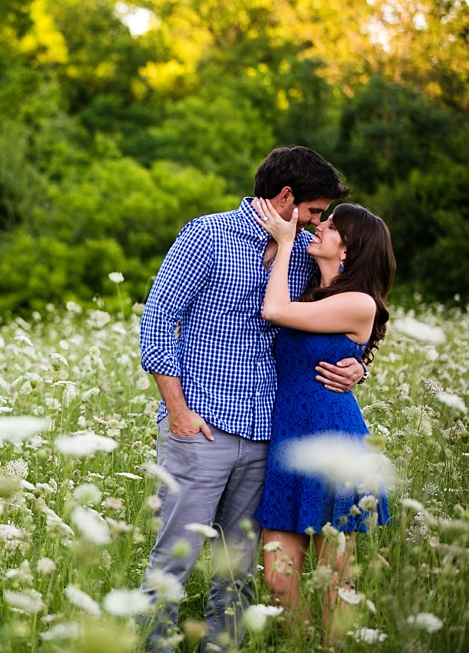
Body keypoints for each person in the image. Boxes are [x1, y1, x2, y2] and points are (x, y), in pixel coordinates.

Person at [138, 146, 364, 653]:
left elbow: (344, 314)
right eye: (314, 210)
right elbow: (156, 324)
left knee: (237, 570)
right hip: (202, 426)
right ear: (285, 197)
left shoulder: (303, 252)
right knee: (174, 558)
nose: (318, 222)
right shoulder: (207, 235)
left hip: (267, 434)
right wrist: (178, 411)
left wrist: (358, 365)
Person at [250, 198, 394, 643]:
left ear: (347, 249)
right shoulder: (311, 290)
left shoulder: (360, 302)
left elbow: (274, 311)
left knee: (334, 580)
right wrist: (360, 368)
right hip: (288, 440)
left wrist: (285, 243)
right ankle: (302, 644)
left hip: (333, 440)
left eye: (331, 225)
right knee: (277, 580)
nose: (320, 226)